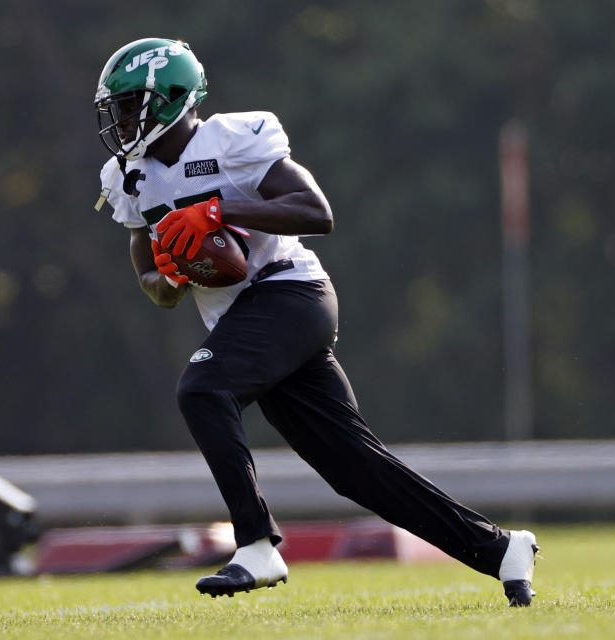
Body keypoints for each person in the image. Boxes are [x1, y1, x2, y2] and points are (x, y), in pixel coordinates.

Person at [93, 37, 538, 606]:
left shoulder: (230, 141)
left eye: (131, 105)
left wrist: (217, 210)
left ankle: (255, 543)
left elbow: (315, 211)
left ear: (170, 99)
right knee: (356, 470)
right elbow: (153, 288)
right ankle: (501, 550)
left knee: (202, 387)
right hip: (246, 322)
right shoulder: (129, 177)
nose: (122, 120)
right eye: (118, 108)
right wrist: (176, 273)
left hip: (290, 293)